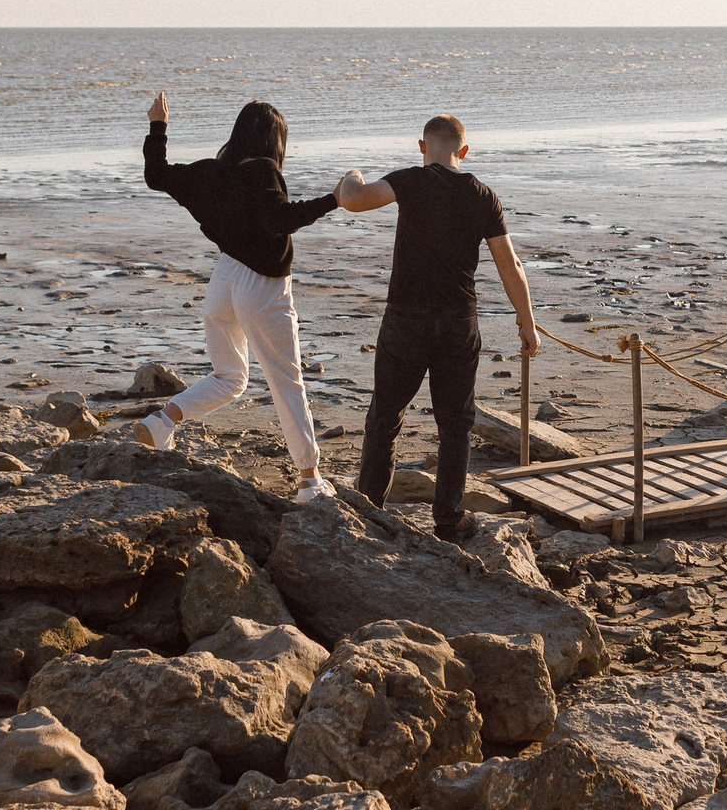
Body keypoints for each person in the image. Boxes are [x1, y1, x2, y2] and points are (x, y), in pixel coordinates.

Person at [336, 113, 538, 536]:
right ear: (463, 152)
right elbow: (510, 264)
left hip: (406, 318)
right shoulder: (483, 195)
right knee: (455, 424)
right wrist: (527, 321)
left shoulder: (410, 180)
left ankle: (371, 509)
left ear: (423, 147)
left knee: (385, 417)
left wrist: (351, 176)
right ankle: (448, 519)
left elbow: (353, 199)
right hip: (459, 321)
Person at [136, 93, 338, 503]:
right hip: (261, 285)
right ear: (273, 142)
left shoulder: (209, 173)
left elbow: (156, 175)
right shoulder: (264, 172)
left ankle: (162, 422)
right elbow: (278, 219)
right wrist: (332, 200)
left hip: (223, 283)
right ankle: (310, 481)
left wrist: (158, 125)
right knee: (287, 382)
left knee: (231, 377)